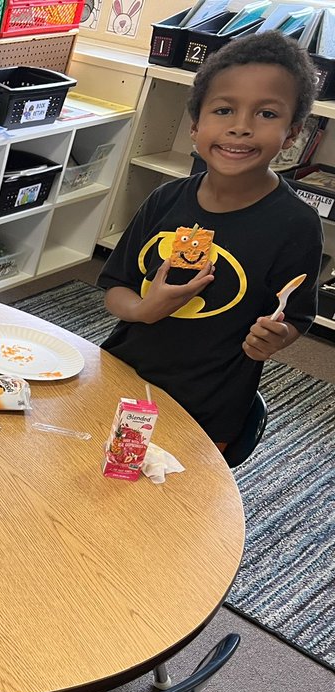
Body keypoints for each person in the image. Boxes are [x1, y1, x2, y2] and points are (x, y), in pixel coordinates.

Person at [98, 31, 323, 448]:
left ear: (292, 135)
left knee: (172, 504)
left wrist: (275, 338)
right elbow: (116, 287)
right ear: (196, 126)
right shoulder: (165, 200)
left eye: (266, 114)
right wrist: (146, 310)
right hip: (122, 375)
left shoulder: (295, 224)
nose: (240, 127)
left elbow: (294, 317)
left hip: (207, 404)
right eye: (224, 110)